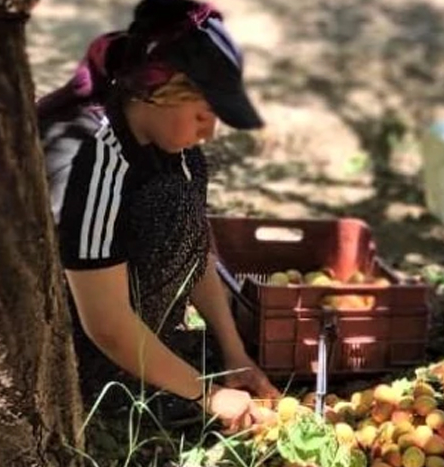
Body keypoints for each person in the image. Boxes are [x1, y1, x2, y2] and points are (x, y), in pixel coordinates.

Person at [37, 0, 279, 428]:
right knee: (166, 201)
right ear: (158, 92)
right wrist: (207, 395)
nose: (209, 132)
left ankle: (151, 367)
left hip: (131, 328)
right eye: (202, 115)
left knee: (181, 188)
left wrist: (234, 353)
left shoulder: (172, 148)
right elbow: (106, 323)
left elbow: (195, 251)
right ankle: (109, 390)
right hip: (76, 347)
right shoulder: (92, 160)